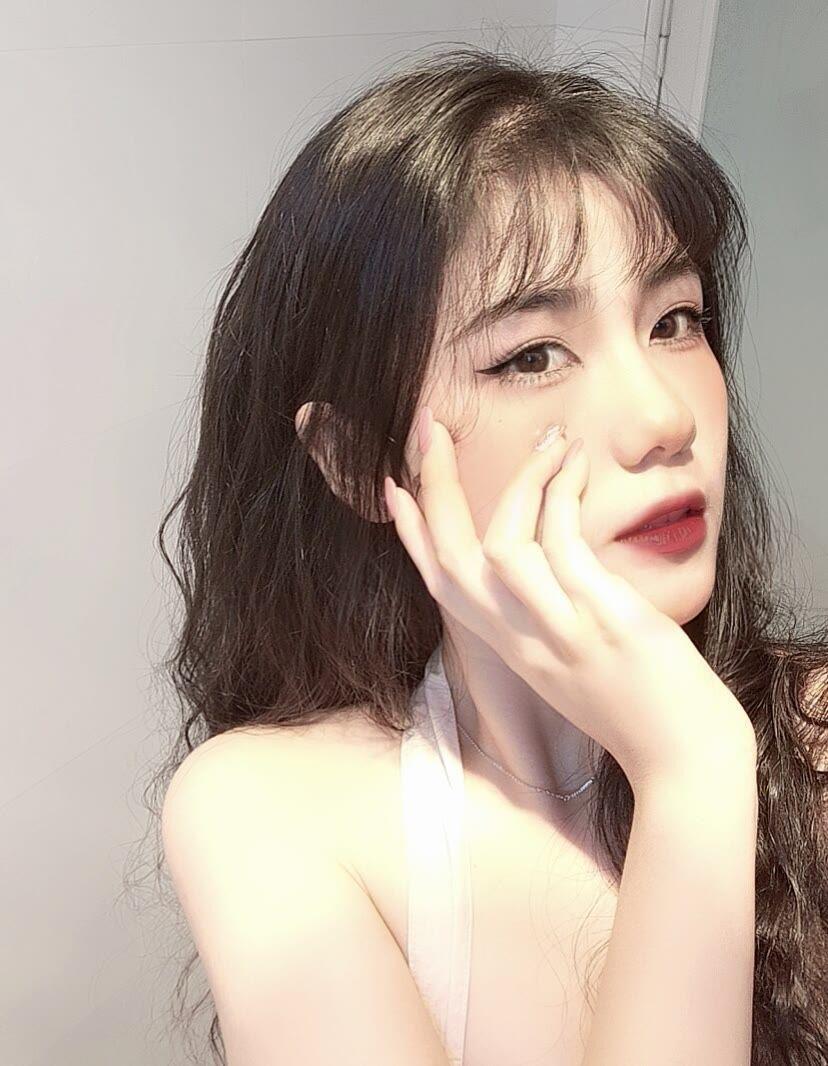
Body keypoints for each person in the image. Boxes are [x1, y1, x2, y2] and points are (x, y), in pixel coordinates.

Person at [154, 47, 828, 1066]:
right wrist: (691, 768)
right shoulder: (271, 809)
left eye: (675, 321)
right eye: (531, 355)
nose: (663, 418)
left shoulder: (813, 736)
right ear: (359, 460)